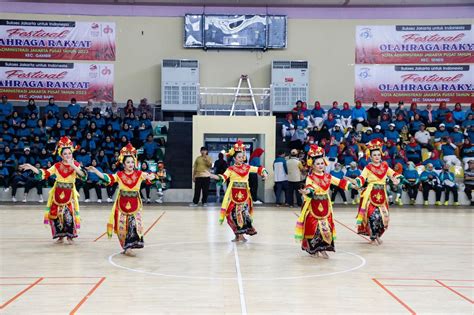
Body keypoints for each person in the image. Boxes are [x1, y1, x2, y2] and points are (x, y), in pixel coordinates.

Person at [87, 143, 155, 257]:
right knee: (121, 227)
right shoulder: (119, 175)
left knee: (133, 225)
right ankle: (125, 246)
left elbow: (150, 175)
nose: (130, 164)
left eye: (132, 162)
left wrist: (151, 176)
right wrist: (96, 171)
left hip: (135, 205)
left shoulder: (139, 174)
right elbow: (107, 178)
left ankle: (129, 247)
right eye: (128, 162)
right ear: (123, 164)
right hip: (121, 205)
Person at [19, 136, 87, 244]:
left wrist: (72, 165)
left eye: (69, 153)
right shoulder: (57, 166)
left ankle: (70, 236)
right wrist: (32, 167)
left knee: (68, 215)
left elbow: (83, 176)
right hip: (57, 193)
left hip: (70, 194)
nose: (68, 155)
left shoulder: (76, 165)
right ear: (61, 155)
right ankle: (60, 235)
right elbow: (44, 174)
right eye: (65, 154)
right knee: (55, 215)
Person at [295, 144, 352, 258]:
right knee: (314, 227)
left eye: (322, 163)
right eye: (318, 164)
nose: (320, 166)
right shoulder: (310, 178)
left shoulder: (328, 176)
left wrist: (354, 185)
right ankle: (314, 249)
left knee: (326, 227)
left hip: (326, 204)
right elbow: (309, 188)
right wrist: (306, 192)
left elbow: (340, 182)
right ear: (313, 165)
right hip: (313, 204)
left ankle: (323, 248)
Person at [210, 140, 268, 242]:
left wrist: (264, 173)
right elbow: (223, 177)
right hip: (233, 196)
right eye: (239, 157)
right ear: (234, 158)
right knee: (231, 216)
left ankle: (241, 235)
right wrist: (212, 176)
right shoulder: (231, 169)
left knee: (242, 214)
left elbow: (259, 169)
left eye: (242, 157)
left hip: (244, 196)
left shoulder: (247, 167)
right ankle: (237, 235)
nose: (241, 159)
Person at [350, 139, 402, 245]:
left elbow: (394, 174)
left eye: (379, 154)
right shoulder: (368, 167)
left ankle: (376, 235)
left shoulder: (385, 166)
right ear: (370, 156)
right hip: (370, 194)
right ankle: (374, 237)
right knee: (373, 216)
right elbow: (361, 178)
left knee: (383, 217)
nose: (377, 157)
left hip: (382, 195)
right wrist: (356, 182)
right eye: (375, 155)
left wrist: (397, 179)